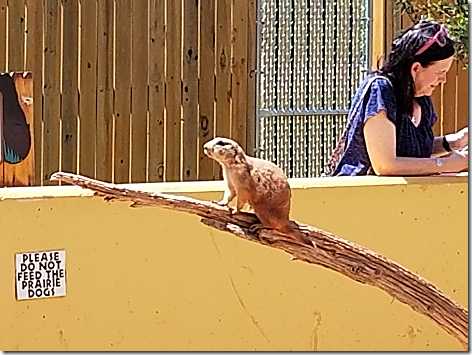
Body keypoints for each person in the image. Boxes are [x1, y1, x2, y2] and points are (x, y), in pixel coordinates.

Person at [330, 20, 468, 176]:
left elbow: (412, 153)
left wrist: (455, 142)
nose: (444, 80)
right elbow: (386, 165)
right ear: (416, 68)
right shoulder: (380, 91)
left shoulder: (421, 98)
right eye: (439, 72)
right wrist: (447, 164)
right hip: (359, 196)